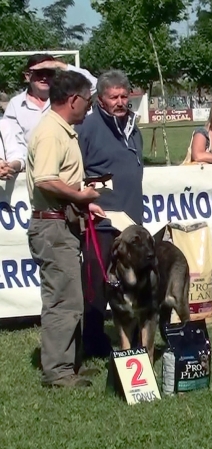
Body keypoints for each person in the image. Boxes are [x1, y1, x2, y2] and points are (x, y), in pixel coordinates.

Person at [26, 70, 105, 388]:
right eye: (88, 100)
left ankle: (69, 363)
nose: (90, 106)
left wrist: (84, 204)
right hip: (53, 227)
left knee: (71, 297)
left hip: (63, 223)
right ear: (73, 99)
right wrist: (80, 195)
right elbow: (46, 179)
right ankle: (57, 371)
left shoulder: (62, 130)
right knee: (63, 300)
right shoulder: (50, 133)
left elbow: (57, 179)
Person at [75, 69, 144, 359]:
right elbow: (74, 172)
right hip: (100, 222)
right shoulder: (87, 127)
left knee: (135, 281)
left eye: (123, 95)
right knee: (96, 285)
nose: (119, 101)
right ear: (100, 100)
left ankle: (136, 336)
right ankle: (92, 340)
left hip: (131, 222)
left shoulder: (134, 127)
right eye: (112, 96)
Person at [3, 54, 97, 147]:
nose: (45, 78)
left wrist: (61, 65)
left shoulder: (63, 99)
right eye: (39, 73)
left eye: (49, 73)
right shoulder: (15, 105)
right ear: (28, 76)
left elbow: (95, 86)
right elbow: (12, 141)